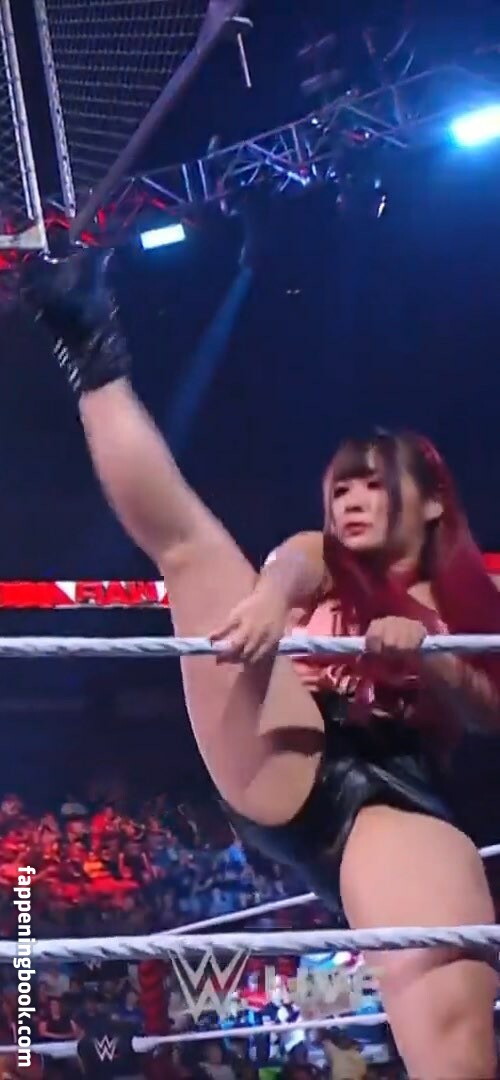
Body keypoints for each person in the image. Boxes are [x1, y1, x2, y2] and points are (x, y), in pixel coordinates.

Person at [22, 247, 500, 1080]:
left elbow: (489, 711)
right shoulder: (324, 559)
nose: (350, 500)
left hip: (394, 793)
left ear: (430, 500)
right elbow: (297, 560)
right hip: (286, 739)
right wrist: (275, 599)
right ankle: (93, 351)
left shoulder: (469, 597)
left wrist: (429, 656)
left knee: (452, 1028)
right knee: (193, 550)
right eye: (340, 487)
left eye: (372, 485)